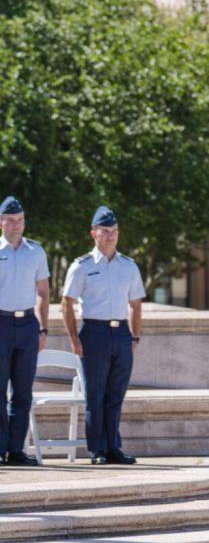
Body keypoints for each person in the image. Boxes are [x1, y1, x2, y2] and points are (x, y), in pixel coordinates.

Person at [61, 206, 145, 466]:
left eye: (114, 231)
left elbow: (136, 304)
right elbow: (66, 302)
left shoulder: (128, 266)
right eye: (105, 231)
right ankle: (97, 450)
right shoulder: (82, 266)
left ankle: (113, 448)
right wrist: (75, 340)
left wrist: (133, 338)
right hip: (94, 332)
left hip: (120, 332)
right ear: (93, 233)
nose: (111, 236)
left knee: (115, 394)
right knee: (95, 394)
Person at [0, 196, 50, 467]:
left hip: (28, 325)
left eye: (19, 220)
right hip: (1, 324)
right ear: (1, 222)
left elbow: (43, 292)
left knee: (23, 391)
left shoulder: (36, 252)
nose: (15, 225)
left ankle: (16, 450)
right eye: (10, 220)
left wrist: (43, 327)